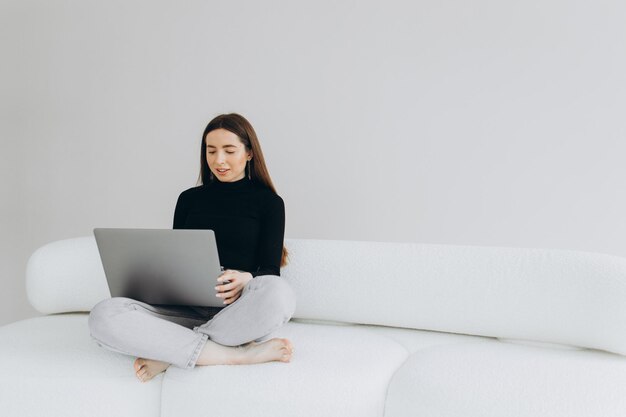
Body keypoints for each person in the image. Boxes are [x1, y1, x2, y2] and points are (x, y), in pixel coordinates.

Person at [88, 113, 297, 383]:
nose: (218, 160)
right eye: (211, 151)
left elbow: (270, 271)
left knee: (280, 294)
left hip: (235, 312)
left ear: (248, 153)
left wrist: (247, 278)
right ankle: (233, 354)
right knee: (104, 315)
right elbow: (180, 257)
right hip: (184, 308)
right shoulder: (188, 199)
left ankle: (170, 352)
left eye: (229, 150)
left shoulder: (269, 203)